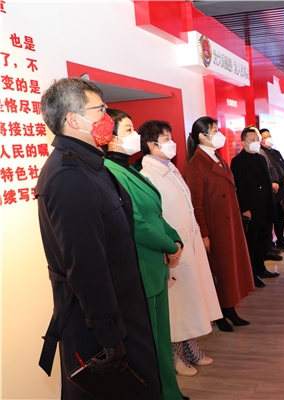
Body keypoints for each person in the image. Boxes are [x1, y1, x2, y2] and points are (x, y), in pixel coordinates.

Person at [36, 78, 161, 399]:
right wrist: (109, 334)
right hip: (97, 323)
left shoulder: (91, 165)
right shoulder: (69, 176)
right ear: (73, 120)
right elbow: (85, 264)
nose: (108, 118)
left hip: (119, 309)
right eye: (100, 110)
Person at [103, 108, 186, 400]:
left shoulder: (129, 169)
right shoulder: (109, 172)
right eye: (128, 130)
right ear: (110, 137)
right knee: (148, 342)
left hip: (155, 265)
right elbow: (136, 222)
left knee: (160, 339)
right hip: (141, 267)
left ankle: (170, 392)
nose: (135, 135)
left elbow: (155, 213)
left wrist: (175, 239)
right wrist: (169, 246)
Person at [138, 120, 222, 376]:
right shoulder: (148, 175)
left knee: (190, 302)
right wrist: (167, 247)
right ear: (152, 144)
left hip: (187, 246)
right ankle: (175, 356)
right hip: (171, 251)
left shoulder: (171, 168)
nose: (172, 143)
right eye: (166, 139)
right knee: (176, 307)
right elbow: (155, 219)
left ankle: (190, 348)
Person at [184, 116, 254, 332]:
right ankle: (219, 313)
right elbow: (196, 204)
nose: (219, 134)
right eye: (214, 130)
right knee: (220, 272)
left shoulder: (217, 158)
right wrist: (204, 234)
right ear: (201, 136)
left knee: (230, 271)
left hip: (229, 225)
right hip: (215, 228)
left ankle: (230, 308)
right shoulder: (196, 164)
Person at [231, 127, 281, 287]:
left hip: (265, 207)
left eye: (257, 140)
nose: (255, 142)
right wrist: (245, 209)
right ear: (244, 142)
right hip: (251, 209)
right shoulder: (238, 162)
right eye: (251, 140)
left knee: (262, 241)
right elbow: (239, 188)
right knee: (251, 243)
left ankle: (261, 268)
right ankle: (252, 274)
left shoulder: (261, 158)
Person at [260, 128, 284, 251]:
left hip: (282, 190)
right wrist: (277, 180)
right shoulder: (261, 154)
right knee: (271, 218)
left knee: (281, 217)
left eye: (269, 136)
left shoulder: (276, 152)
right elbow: (268, 172)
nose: (268, 138)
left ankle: (281, 239)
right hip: (272, 191)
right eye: (264, 137)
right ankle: (269, 244)